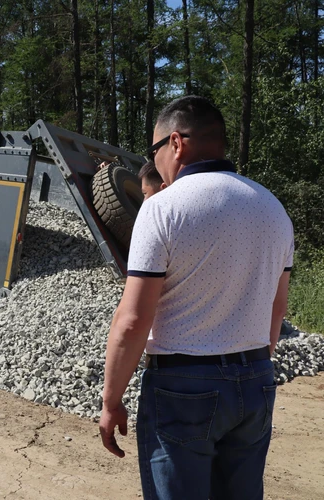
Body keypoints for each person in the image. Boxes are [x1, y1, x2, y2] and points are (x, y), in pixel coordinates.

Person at [99, 96, 294, 500]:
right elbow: (277, 307)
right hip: (256, 378)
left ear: (176, 143)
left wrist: (111, 399)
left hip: (183, 385)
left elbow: (133, 319)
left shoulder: (163, 209)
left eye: (154, 152)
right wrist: (251, 364)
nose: (154, 165)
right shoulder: (273, 208)